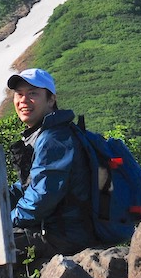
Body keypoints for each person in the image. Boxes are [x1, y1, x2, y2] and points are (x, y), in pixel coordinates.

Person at [6, 68, 99, 263]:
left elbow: (40, 199)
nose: (23, 100)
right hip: (61, 231)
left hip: (65, 236)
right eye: (19, 94)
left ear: (51, 100)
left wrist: (5, 220)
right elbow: (28, 186)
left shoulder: (54, 138)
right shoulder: (46, 133)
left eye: (32, 94)